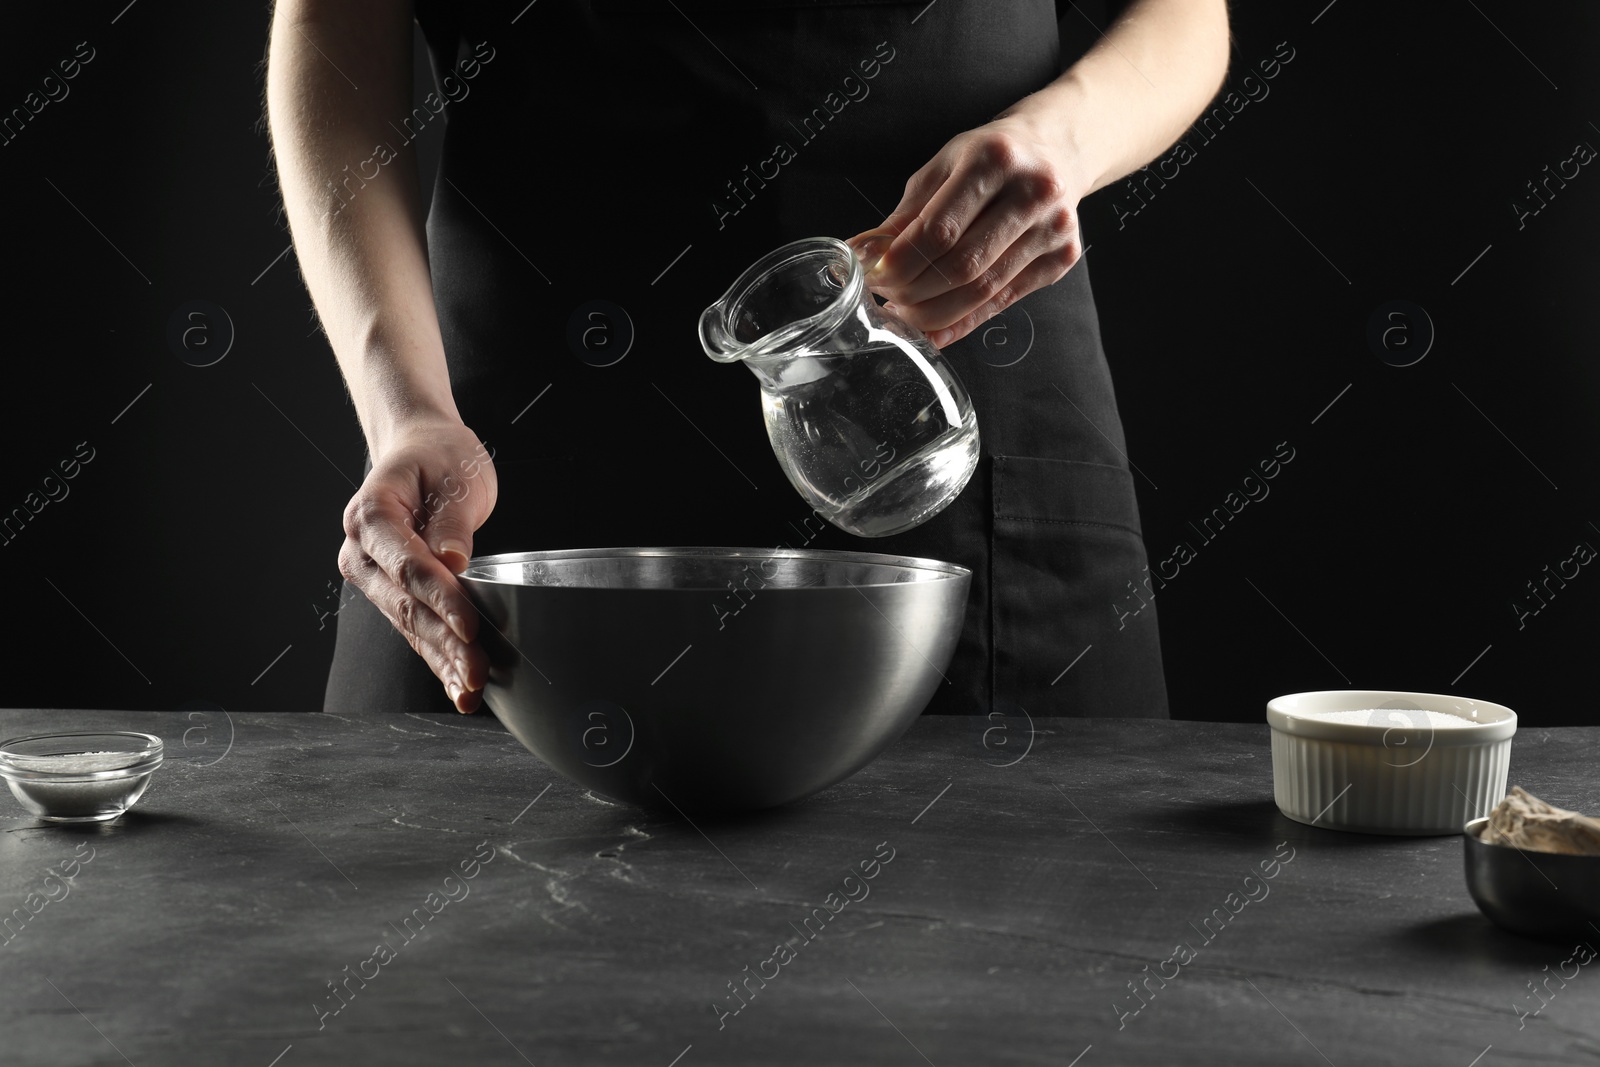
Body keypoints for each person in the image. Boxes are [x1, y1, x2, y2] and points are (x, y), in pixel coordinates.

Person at [265, 0, 1229, 719]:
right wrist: (405, 409)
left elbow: (1186, 16)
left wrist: (1063, 140)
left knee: (1038, 931)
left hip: (951, 406)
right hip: (510, 440)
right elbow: (335, 45)